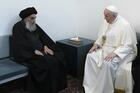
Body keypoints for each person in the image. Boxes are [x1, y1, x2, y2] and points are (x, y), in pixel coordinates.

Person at [83, 5, 137, 93]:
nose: (104, 18)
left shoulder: (125, 25)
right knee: (90, 57)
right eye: (104, 15)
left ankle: (104, 90)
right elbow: (102, 36)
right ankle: (91, 85)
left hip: (121, 51)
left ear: (114, 16)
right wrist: (96, 44)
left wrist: (115, 53)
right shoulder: (106, 21)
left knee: (107, 63)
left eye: (106, 15)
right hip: (105, 48)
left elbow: (128, 45)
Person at [12, 7, 67, 93]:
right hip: (28, 54)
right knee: (46, 63)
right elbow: (19, 44)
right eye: (32, 18)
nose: (34, 20)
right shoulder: (17, 27)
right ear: (25, 18)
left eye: (35, 18)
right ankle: (45, 89)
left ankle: (57, 87)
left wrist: (46, 46)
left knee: (57, 57)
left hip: (41, 50)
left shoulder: (34, 25)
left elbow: (44, 37)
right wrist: (33, 51)